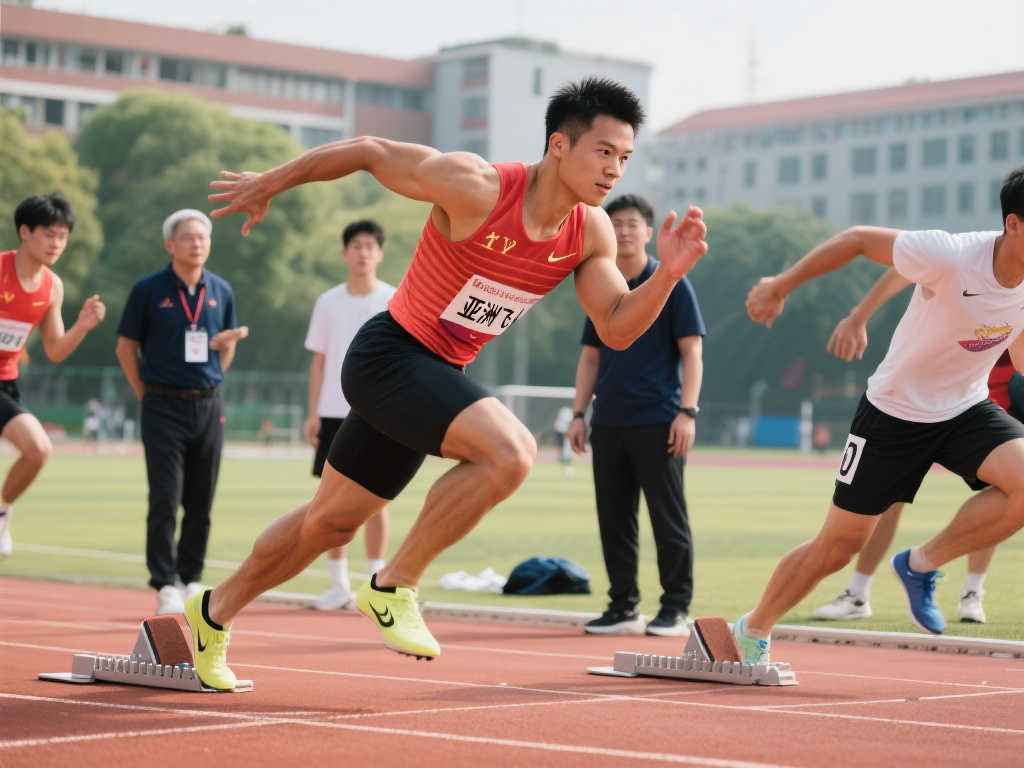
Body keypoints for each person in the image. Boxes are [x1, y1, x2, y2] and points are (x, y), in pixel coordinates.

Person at [182, 77, 707, 691]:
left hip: (434, 377)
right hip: (389, 356)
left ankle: (211, 613)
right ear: (559, 145)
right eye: (603, 152)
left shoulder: (588, 233)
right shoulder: (477, 186)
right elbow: (372, 151)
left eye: (624, 157)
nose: (614, 169)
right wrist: (272, 180)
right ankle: (394, 584)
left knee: (328, 523)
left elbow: (616, 328)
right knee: (512, 454)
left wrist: (667, 276)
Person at [736, 166, 1024, 662]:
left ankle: (921, 564)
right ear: (1015, 224)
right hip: (894, 413)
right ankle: (752, 628)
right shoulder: (952, 255)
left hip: (965, 408)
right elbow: (854, 240)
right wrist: (782, 285)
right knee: (838, 546)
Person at [813, 268, 1005, 624]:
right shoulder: (962, 262)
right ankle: (858, 592)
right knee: (887, 502)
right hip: (918, 399)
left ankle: (970, 590)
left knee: (1008, 484)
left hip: (982, 399)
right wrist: (858, 317)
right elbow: (893, 256)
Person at [568, 194, 705, 637]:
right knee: (613, 518)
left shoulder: (672, 283)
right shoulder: (603, 286)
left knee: (668, 518)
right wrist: (578, 413)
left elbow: (692, 352)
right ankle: (622, 606)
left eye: (632, 224)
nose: (624, 231)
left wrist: (687, 412)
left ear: (648, 232)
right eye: (617, 224)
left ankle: (676, 608)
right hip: (609, 421)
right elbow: (590, 357)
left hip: (659, 420)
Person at [115, 209, 249, 616]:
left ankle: (191, 577)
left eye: (203, 238)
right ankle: (165, 582)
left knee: (201, 498)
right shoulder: (149, 290)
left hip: (208, 403)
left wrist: (217, 363)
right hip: (161, 403)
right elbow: (126, 347)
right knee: (165, 496)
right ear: (170, 244)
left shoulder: (221, 290)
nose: (197, 244)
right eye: (188, 237)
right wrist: (146, 394)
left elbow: (226, 345)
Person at [0, 193, 106, 557]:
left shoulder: (52, 287)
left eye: (62, 236)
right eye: (49, 234)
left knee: (39, 449)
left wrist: (82, 326)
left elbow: (55, 350)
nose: (56, 243)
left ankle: (1, 511)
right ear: (24, 232)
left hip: (5, 382)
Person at [303, 219, 395, 610]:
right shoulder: (328, 301)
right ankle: (337, 584)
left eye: (370, 246)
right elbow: (319, 362)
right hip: (333, 411)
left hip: (381, 413)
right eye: (355, 245)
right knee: (329, 501)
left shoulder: (395, 298)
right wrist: (312, 413)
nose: (362, 252)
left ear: (380, 253)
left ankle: (378, 582)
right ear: (344, 253)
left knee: (378, 501)